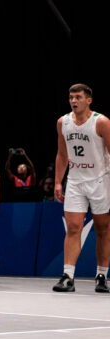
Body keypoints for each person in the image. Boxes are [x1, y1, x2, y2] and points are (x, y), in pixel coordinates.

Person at [53, 83, 110, 293]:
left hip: (100, 179)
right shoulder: (63, 122)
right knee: (74, 227)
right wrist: (59, 181)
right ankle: (68, 276)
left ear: (89, 100)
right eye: (71, 97)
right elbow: (62, 154)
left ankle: (102, 275)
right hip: (75, 180)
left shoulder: (101, 122)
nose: (74, 101)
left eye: (78, 97)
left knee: (103, 229)